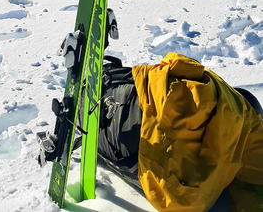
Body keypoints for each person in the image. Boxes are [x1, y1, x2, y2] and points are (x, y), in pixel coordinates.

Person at [84, 52, 263, 212]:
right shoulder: (244, 131)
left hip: (151, 97)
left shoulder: (236, 110)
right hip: (142, 148)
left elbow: (181, 66)